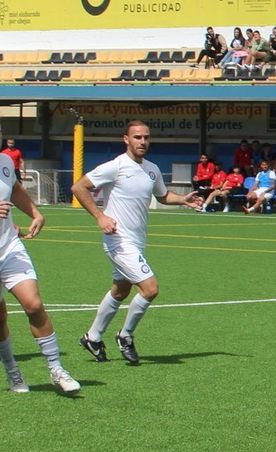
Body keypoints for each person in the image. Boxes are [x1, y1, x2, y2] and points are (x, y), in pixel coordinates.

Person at [71, 119, 205, 365]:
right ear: (126, 139)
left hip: (137, 240)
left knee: (121, 289)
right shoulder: (116, 166)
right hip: (118, 241)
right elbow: (79, 187)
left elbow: (163, 196)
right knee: (150, 289)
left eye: (146, 137)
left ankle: (92, 337)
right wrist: (100, 216)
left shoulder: (151, 169)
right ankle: (126, 336)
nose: (142, 141)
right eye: (137, 137)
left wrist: (183, 200)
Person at [0, 128, 80, 396]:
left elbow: (13, 188)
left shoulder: (5, 162)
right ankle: (13, 370)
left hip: (9, 246)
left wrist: (35, 212)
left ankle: (57, 369)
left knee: (34, 305)